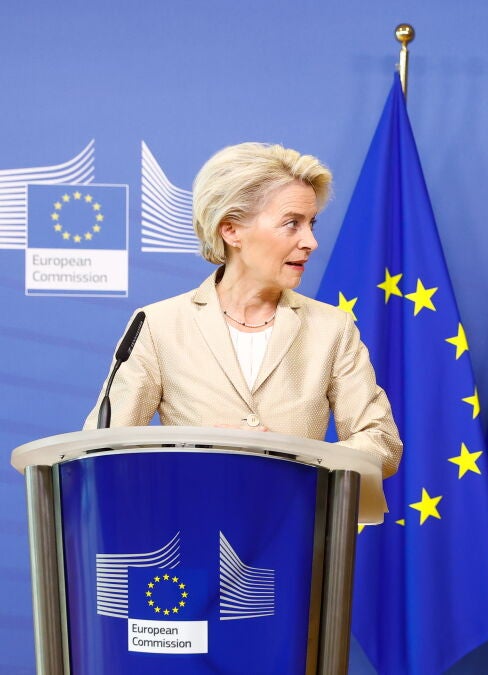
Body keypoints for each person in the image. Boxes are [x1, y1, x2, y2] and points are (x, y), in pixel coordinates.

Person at [85, 142, 402, 476]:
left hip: (298, 509)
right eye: (292, 223)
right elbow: (102, 450)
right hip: (192, 509)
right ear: (231, 230)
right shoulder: (158, 325)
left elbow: (381, 445)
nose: (311, 242)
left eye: (312, 224)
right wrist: (195, 455)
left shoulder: (332, 328)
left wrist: (290, 457)